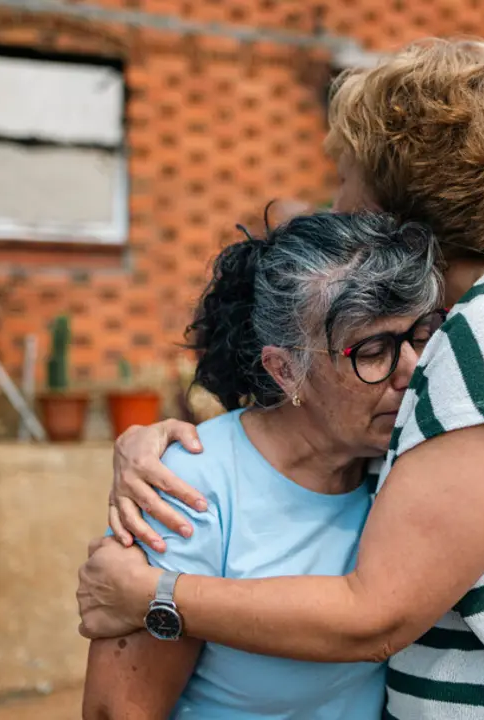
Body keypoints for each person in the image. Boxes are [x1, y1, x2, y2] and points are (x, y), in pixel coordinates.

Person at [79, 38, 484, 719]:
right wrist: (156, 446)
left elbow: (378, 613)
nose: (337, 198)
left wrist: (156, 595)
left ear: (397, 190)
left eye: (346, 172)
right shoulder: (467, 324)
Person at [82, 211, 444, 719]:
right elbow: (119, 710)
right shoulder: (188, 488)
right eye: (373, 350)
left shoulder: (409, 460)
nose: (410, 371)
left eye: (420, 336)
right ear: (285, 368)